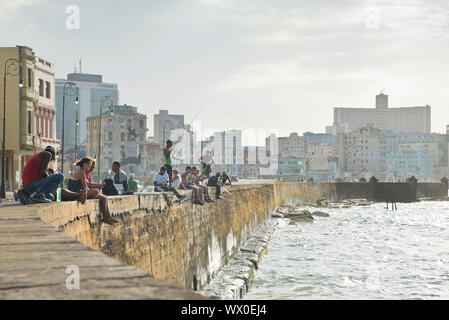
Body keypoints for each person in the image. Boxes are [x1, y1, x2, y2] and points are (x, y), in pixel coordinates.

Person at [68, 157, 118, 225]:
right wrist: (98, 187)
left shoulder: (83, 172)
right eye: (90, 165)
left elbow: (87, 186)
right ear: (85, 164)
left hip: (80, 191)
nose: (90, 167)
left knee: (104, 198)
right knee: (96, 191)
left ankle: (107, 217)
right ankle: (107, 217)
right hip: (76, 192)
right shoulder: (81, 172)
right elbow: (86, 186)